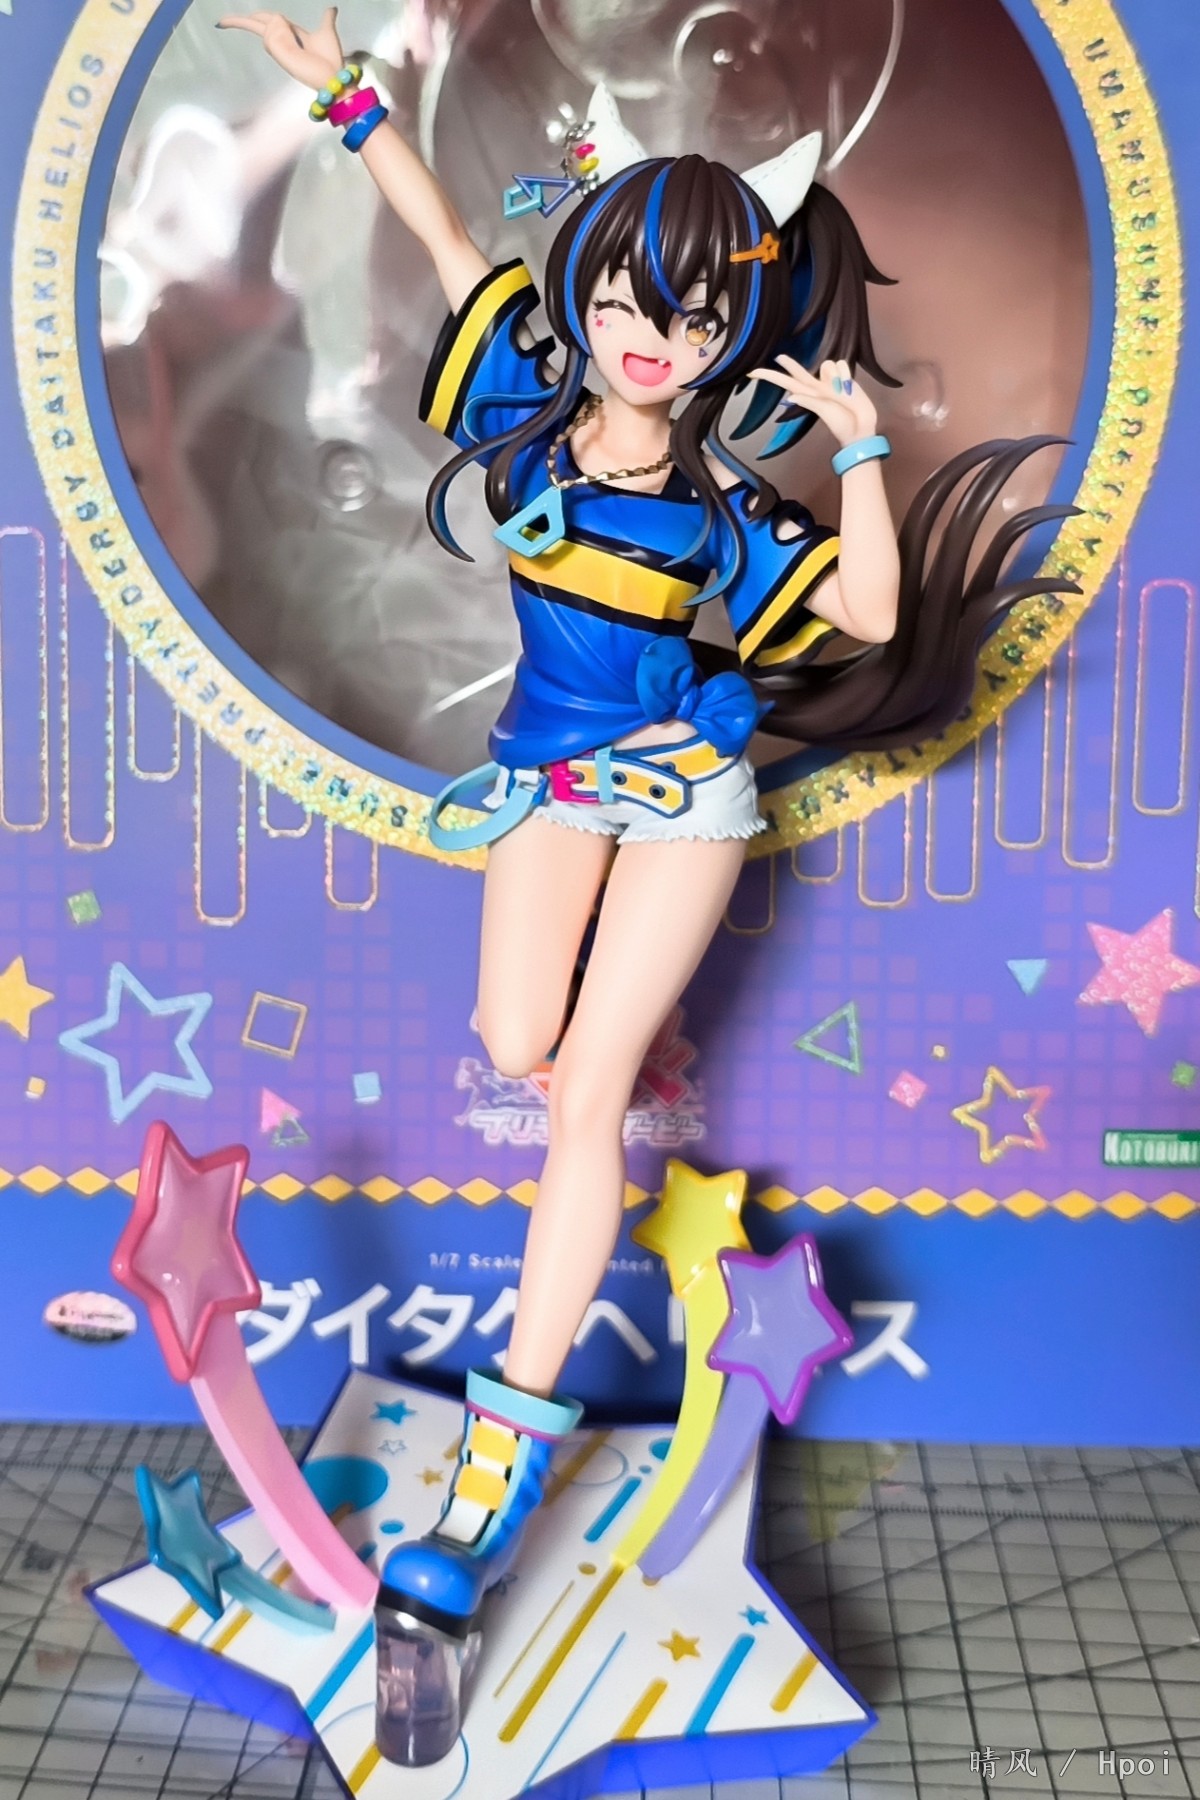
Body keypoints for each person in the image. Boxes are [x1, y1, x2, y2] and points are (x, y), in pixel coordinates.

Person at [220, 7, 1075, 1761]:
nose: (650, 339)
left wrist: (856, 448)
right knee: (515, 1038)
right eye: (627, 300)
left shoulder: (726, 512)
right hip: (546, 783)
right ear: (590, 289)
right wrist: (344, 93)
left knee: (585, 1101)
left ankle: (486, 1484)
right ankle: (614, 1057)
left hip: (685, 798)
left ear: (727, 336)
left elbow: (869, 617)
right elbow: (446, 240)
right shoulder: (529, 417)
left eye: (691, 320)